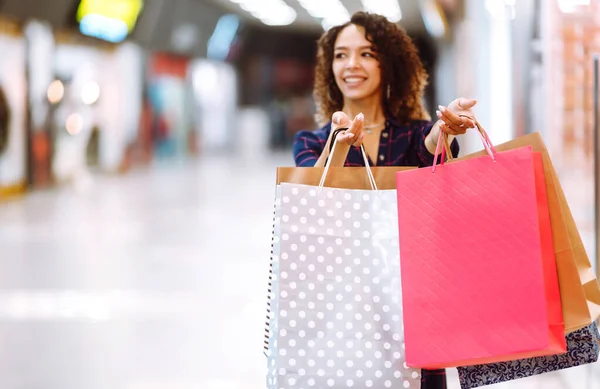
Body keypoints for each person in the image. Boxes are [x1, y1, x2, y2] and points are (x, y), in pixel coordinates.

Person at [292, 11, 479, 389]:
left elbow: (431, 150)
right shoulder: (312, 142)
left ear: (388, 64)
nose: (352, 65)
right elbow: (311, 196)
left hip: (413, 309)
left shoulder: (414, 135)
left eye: (367, 53)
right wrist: (341, 150)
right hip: (339, 309)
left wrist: (445, 130)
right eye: (341, 55)